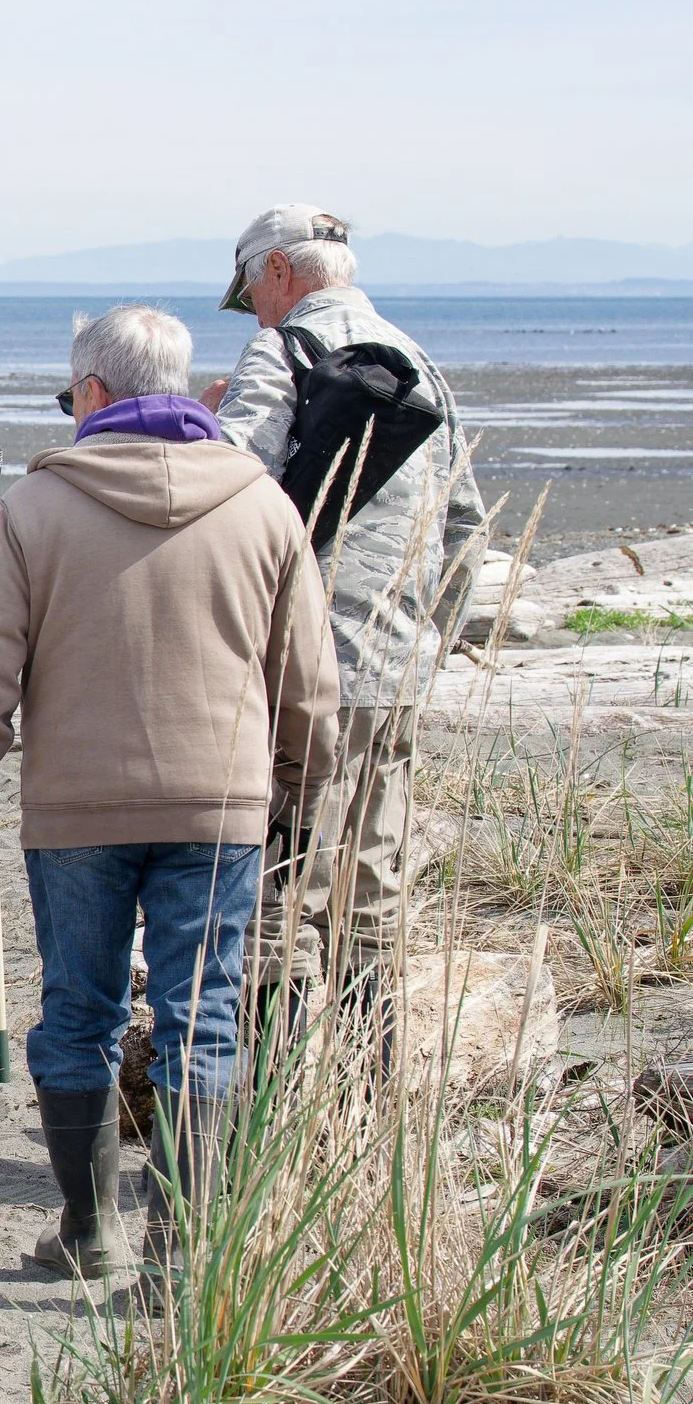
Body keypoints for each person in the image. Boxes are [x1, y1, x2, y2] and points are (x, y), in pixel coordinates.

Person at [0, 305, 338, 1281]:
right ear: (188, 393)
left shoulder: (33, 507)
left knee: (78, 1012)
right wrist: (294, 789)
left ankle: (89, 1227)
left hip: (76, 809)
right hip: (220, 806)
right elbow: (309, 684)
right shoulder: (262, 505)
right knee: (206, 1016)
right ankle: (180, 1256)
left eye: (74, 396)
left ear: (95, 395)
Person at [204, 208, 483, 1029]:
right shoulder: (420, 362)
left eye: (253, 288)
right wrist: (428, 638)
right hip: (394, 666)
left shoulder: (282, 349)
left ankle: (270, 1109)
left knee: (282, 888)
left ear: (281, 273)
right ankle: (364, 1096)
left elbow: (228, 489)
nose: (254, 307)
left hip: (296, 668)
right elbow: (466, 525)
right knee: (373, 882)